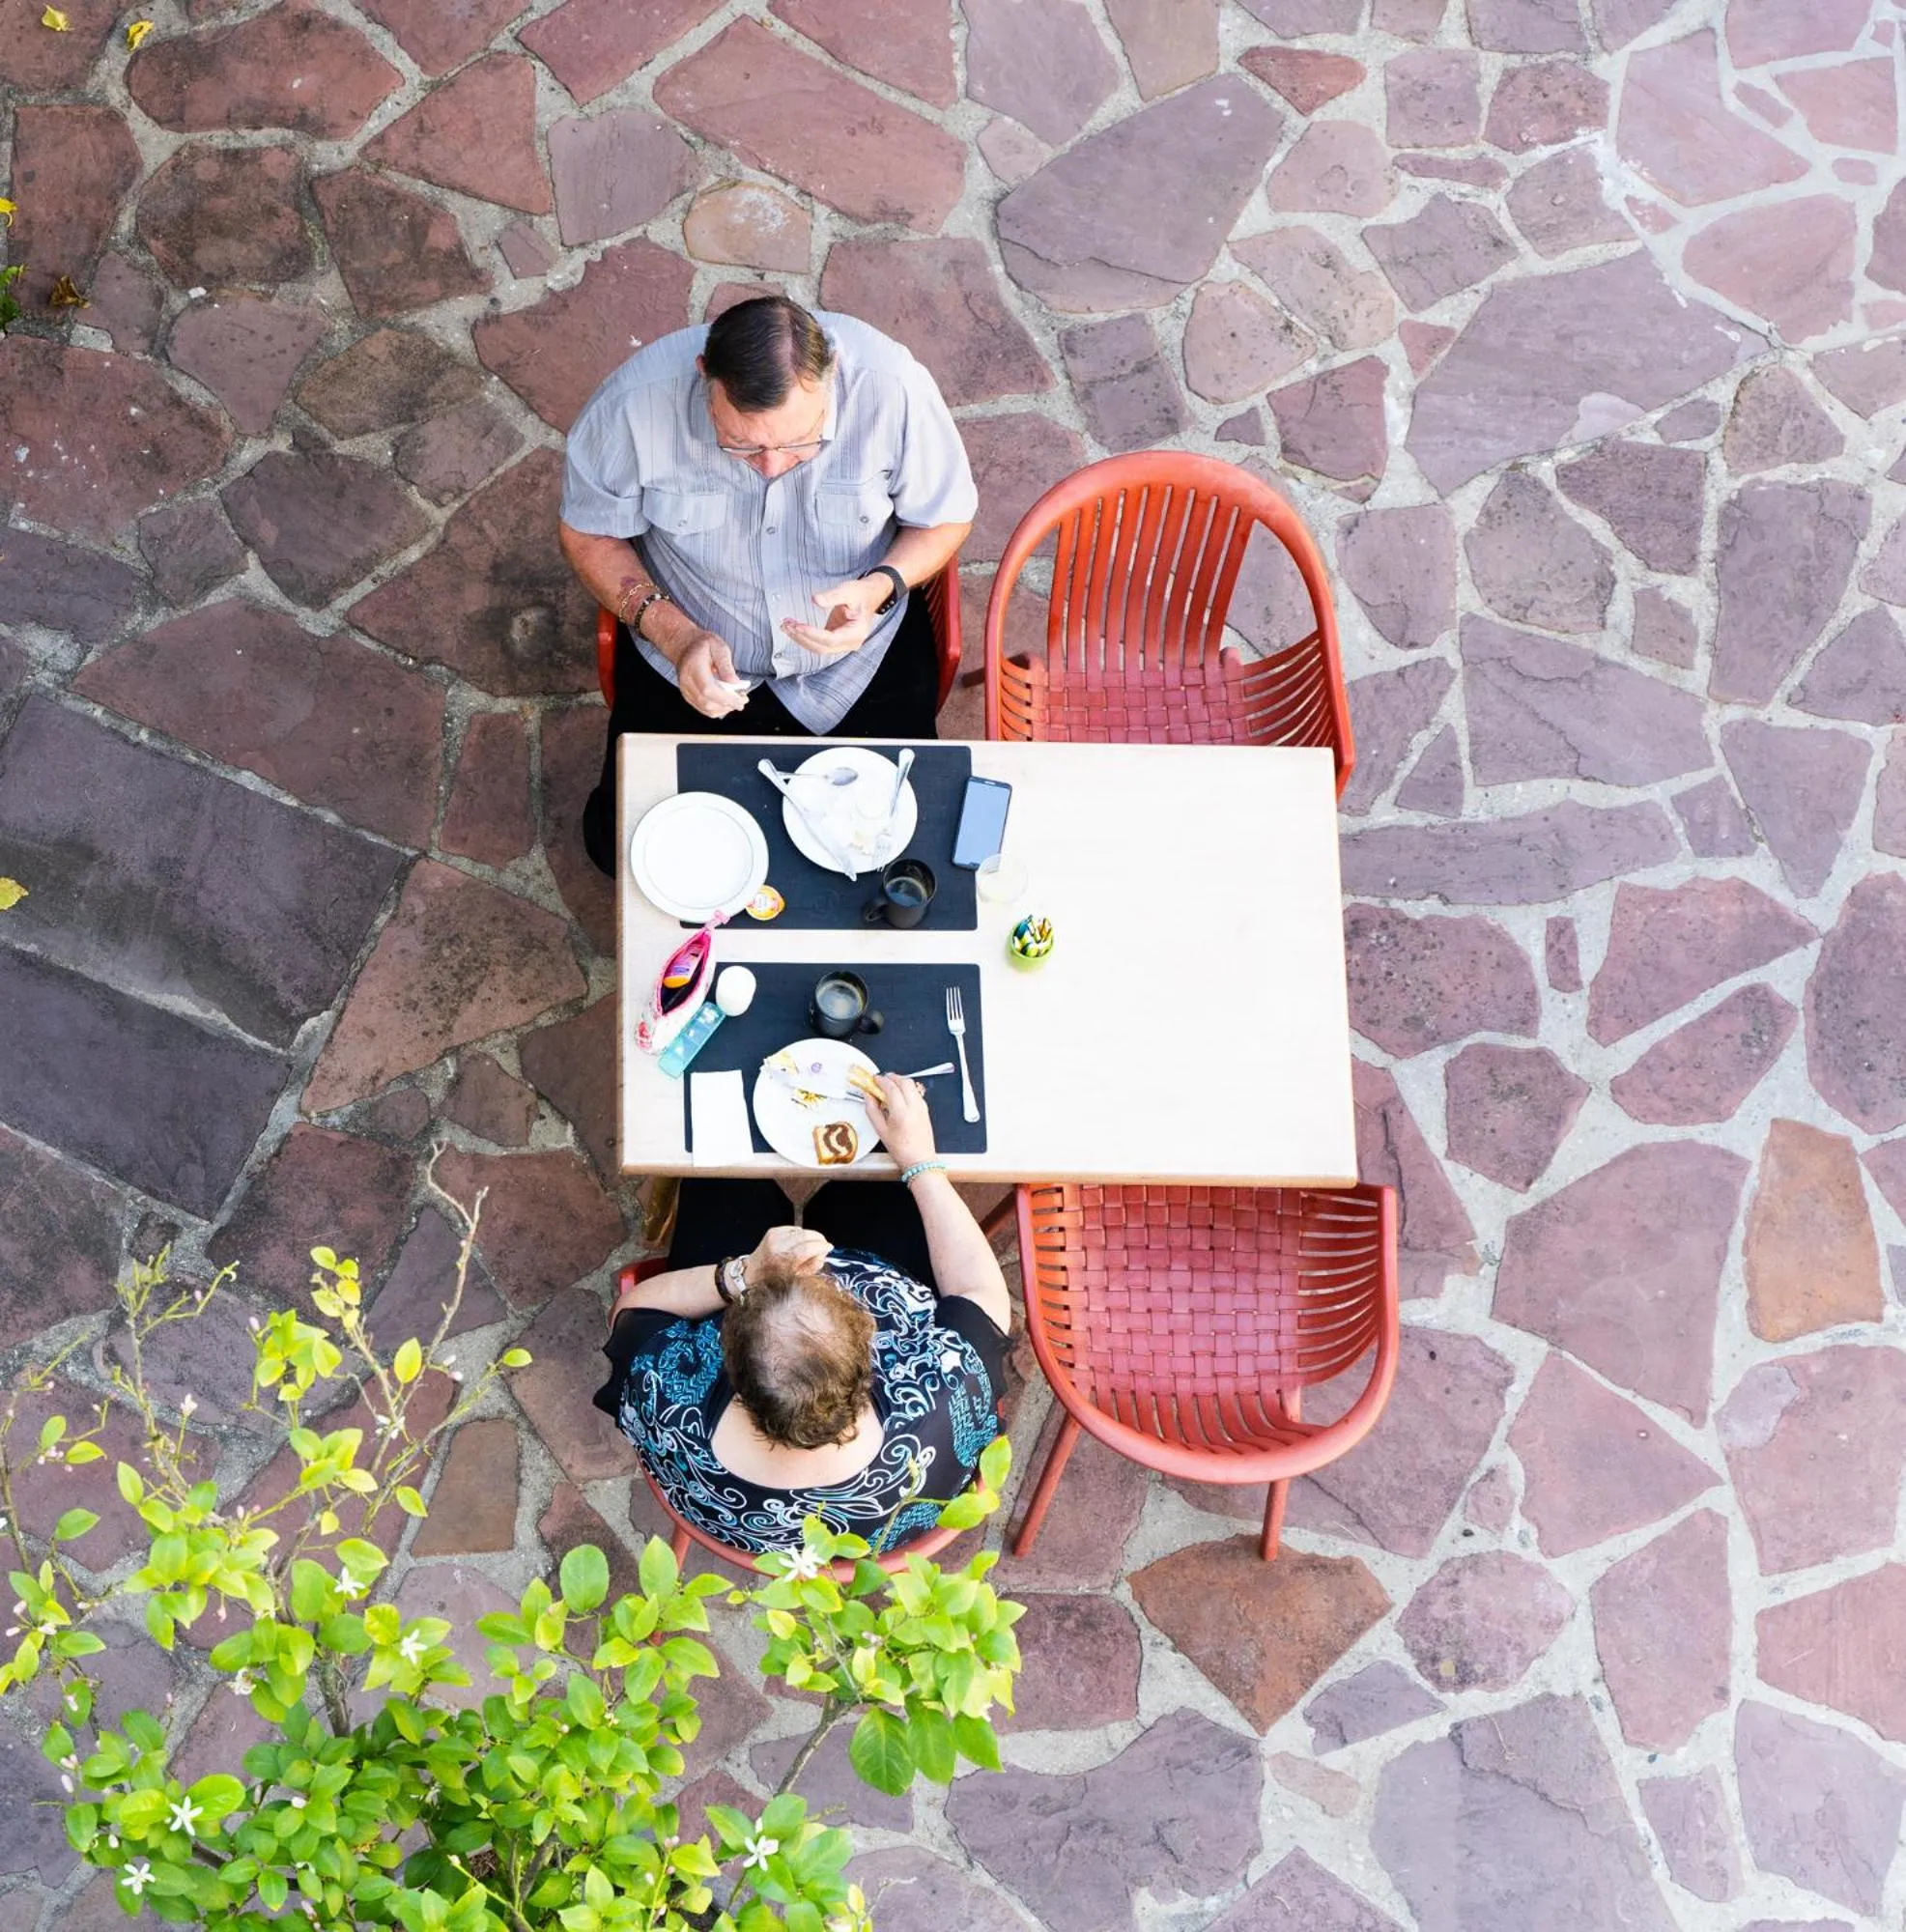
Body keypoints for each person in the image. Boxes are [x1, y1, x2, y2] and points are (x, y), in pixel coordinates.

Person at [558, 295, 977, 876]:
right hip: (689, 659)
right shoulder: (633, 404)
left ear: (830, 377)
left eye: (801, 442)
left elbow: (945, 516)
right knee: (627, 847)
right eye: (743, 445)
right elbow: (589, 536)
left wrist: (880, 585)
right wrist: (675, 636)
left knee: (904, 850)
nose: (773, 466)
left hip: (856, 661)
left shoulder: (894, 387)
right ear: (705, 377)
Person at [592, 1076, 1009, 1554]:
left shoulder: (670, 1400)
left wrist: (744, 1273)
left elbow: (634, 1310)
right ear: (867, 1355)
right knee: (874, 1190)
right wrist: (920, 1162)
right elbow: (979, 1291)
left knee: (721, 1184)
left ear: (729, 1361)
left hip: (733, 1518)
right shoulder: (941, 1403)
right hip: (861, 1533)